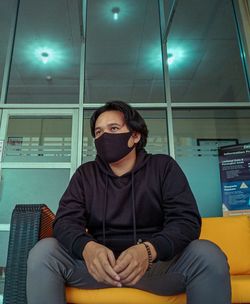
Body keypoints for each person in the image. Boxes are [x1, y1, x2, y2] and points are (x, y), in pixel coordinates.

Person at [27, 101, 231, 304]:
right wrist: (87, 248)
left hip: (154, 267)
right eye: (98, 132)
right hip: (98, 270)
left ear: (135, 136)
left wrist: (149, 251)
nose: (104, 136)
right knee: (44, 252)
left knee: (208, 254)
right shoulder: (85, 174)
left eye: (113, 128)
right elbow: (64, 222)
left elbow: (186, 221)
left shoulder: (163, 167)